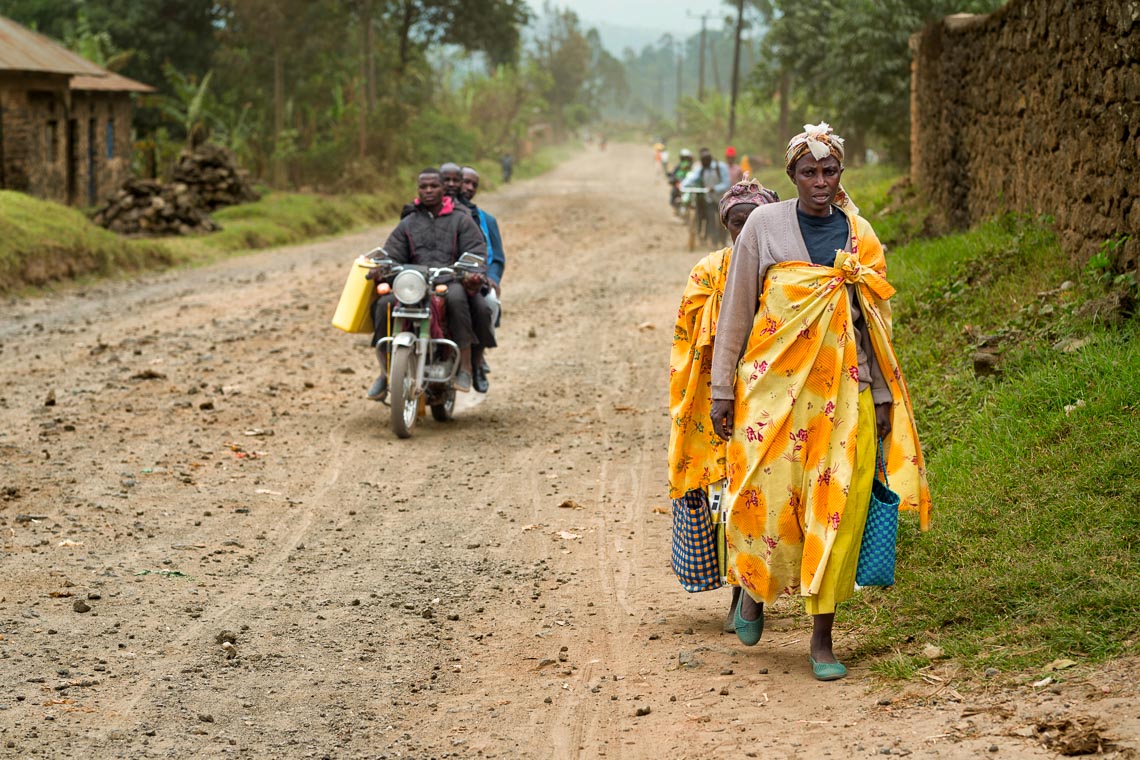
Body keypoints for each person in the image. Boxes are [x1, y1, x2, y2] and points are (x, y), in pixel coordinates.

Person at [708, 123, 931, 680]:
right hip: (770, 398)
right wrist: (720, 390)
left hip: (844, 397)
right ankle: (754, 591)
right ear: (791, 176)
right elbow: (736, 312)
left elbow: (874, 324)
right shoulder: (763, 225)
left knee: (838, 508)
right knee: (763, 496)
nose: (820, 181)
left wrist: (880, 395)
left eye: (829, 170)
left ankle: (822, 639)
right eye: (809, 172)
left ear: (840, 174)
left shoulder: (861, 235)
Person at [668, 176, 778, 632]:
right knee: (726, 499)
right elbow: (687, 339)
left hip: (768, 395)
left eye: (755, 220)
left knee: (758, 493)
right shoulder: (708, 270)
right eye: (737, 222)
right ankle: (738, 588)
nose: (746, 228)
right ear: (726, 225)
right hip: (717, 395)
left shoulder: (781, 268)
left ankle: (750, 592)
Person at [366, 167, 493, 397]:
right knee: (384, 302)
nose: (428, 190)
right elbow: (393, 252)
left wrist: (472, 273)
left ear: (443, 188)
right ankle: (386, 371)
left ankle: (465, 365)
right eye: (423, 187)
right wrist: (382, 268)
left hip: (449, 280)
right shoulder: (408, 222)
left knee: (456, 298)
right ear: (418, 190)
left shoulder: (461, 220)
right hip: (414, 284)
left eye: (433, 186)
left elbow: (476, 251)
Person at [460, 166, 505, 393]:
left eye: (473, 185)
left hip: (475, 279)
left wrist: (492, 277)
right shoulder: (434, 213)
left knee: (488, 304)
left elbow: (497, 257)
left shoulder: (486, 220)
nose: (468, 188)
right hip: (442, 279)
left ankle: (477, 360)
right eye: (464, 182)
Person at [681, 147, 731, 248]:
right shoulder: (702, 169)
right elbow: (693, 178)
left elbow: (726, 183)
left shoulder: (721, 167)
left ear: (708, 160)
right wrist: (683, 185)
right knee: (711, 220)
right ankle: (714, 242)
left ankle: (723, 241)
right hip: (710, 199)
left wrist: (715, 188)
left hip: (722, 199)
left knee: (724, 222)